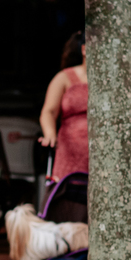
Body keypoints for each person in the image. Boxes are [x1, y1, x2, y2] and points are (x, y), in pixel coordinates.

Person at [38, 31, 89, 183]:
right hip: (69, 151)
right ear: (84, 49)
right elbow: (49, 111)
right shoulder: (64, 77)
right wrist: (50, 134)